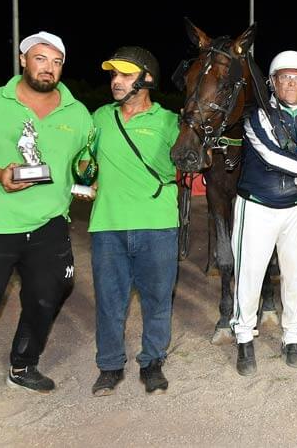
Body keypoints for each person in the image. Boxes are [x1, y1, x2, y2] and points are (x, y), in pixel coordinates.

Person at [0, 31, 93, 393]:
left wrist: (88, 181)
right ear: (23, 60)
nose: (48, 67)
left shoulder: (77, 113)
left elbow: (85, 161)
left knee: (48, 295)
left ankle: (23, 365)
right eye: (40, 58)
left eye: (56, 61)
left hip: (50, 224)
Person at [230, 50, 297, 375]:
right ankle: (244, 336)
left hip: (293, 209)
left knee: (295, 275)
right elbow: (272, 157)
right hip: (257, 206)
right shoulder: (256, 117)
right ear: (273, 83)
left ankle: (292, 336)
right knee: (249, 274)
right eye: (284, 78)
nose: (291, 83)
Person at [88, 46, 180, 395]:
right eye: (114, 74)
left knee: (157, 300)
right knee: (109, 302)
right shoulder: (99, 118)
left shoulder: (170, 122)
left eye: (125, 75)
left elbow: (195, 159)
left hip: (157, 225)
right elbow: (83, 160)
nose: (116, 81)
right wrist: (85, 177)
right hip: (107, 225)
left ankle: (152, 362)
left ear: (147, 79)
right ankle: (110, 365)